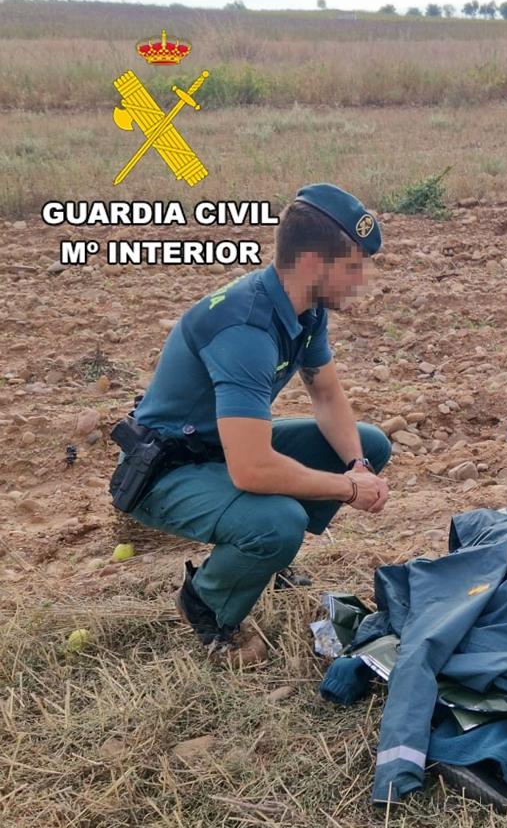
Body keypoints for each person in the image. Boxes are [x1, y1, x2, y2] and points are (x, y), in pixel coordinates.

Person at [109, 183, 392, 666]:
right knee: (279, 521)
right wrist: (348, 488)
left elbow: (325, 393)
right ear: (309, 264)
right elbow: (252, 471)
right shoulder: (247, 330)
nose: (360, 280)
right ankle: (207, 605)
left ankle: (265, 562)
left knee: (368, 443)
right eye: (351, 267)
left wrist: (358, 466)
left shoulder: (305, 308)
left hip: (217, 448)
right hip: (167, 471)